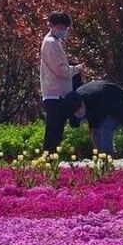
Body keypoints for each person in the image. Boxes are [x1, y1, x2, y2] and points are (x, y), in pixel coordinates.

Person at [40, 11, 82, 154]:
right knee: (53, 131)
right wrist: (76, 69)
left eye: (65, 27)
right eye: (61, 27)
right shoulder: (51, 43)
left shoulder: (55, 42)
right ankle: (47, 160)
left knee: (57, 131)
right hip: (54, 94)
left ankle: (50, 160)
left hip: (58, 93)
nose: (63, 30)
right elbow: (60, 71)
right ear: (51, 25)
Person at [67, 80, 123, 156]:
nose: (78, 113)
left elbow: (121, 113)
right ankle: (100, 156)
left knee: (105, 130)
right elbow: (90, 119)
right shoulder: (73, 102)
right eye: (76, 112)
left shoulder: (102, 99)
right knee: (95, 132)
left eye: (79, 109)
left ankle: (108, 157)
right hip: (99, 107)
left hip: (118, 101)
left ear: (82, 103)